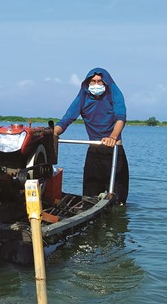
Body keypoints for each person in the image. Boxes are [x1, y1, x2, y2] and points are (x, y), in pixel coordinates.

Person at [54, 67, 130, 204]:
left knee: (119, 201)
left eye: (100, 81)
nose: (96, 84)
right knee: (89, 200)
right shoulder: (83, 97)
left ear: (106, 83)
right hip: (94, 153)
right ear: (87, 83)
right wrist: (54, 132)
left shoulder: (114, 93)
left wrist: (113, 137)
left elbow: (120, 117)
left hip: (114, 153)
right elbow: (66, 119)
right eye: (93, 81)